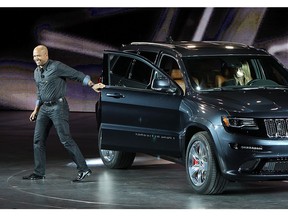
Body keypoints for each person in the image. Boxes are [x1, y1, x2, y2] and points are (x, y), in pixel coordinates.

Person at [23, 45, 105, 182]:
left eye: (38, 55)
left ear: (46, 55)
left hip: (58, 107)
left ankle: (84, 169)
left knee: (65, 139)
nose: (36, 58)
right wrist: (36, 110)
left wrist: (92, 85)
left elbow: (77, 75)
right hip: (44, 109)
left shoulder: (56, 67)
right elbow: (39, 92)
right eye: (34, 56)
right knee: (38, 140)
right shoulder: (36, 72)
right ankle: (39, 173)